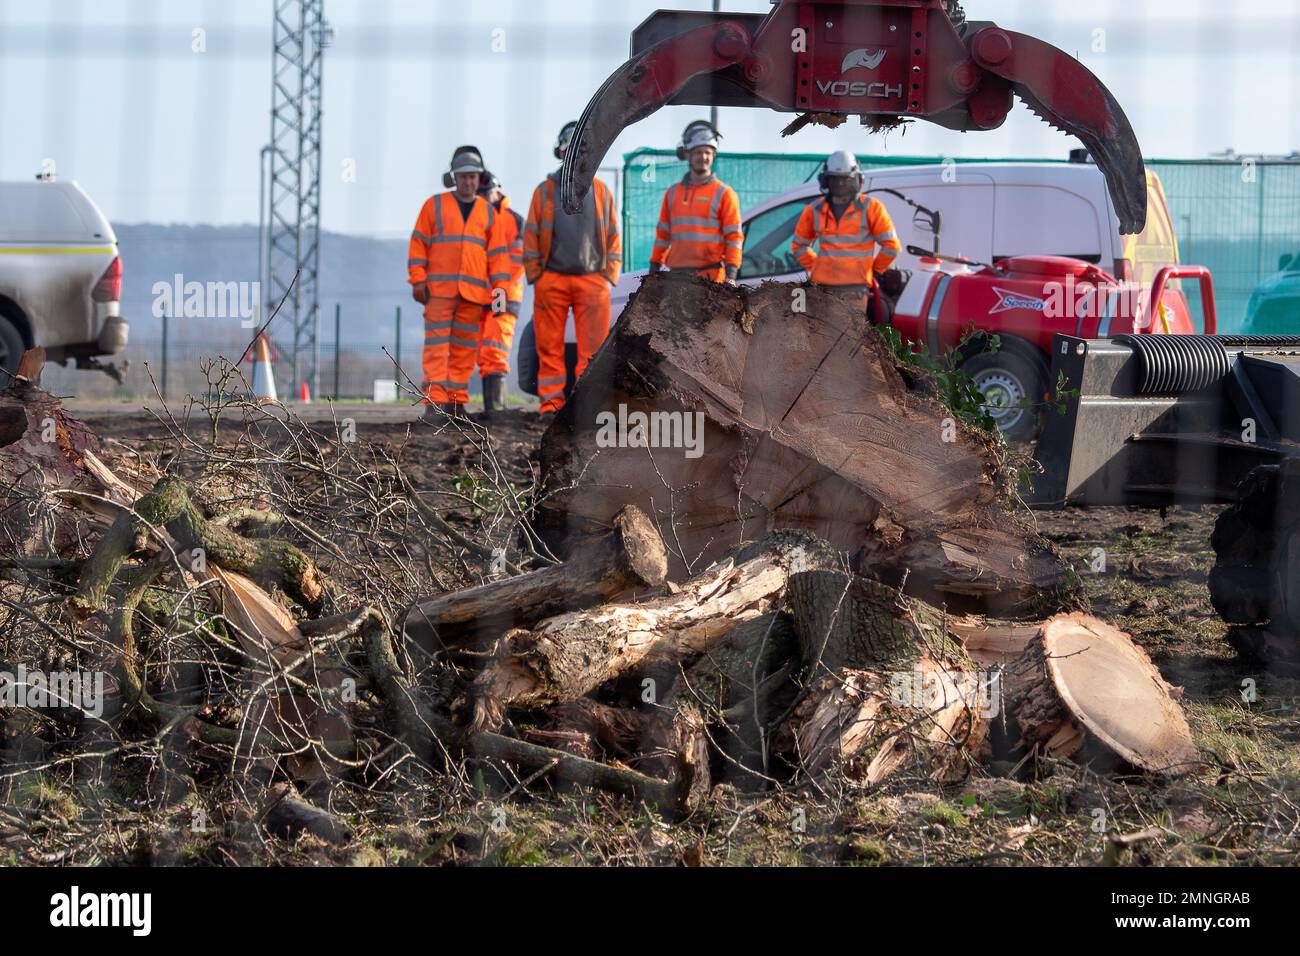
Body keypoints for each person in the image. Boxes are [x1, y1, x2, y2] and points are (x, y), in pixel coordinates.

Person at [523, 120, 622, 422]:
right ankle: (551, 406)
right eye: (570, 149)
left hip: (592, 281)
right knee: (548, 348)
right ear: (561, 152)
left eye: (581, 150)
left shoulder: (602, 192)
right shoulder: (544, 192)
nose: (575, 156)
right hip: (551, 280)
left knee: (591, 352)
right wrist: (536, 275)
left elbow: (614, 237)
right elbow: (530, 236)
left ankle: (585, 408)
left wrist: (609, 276)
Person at [407, 145, 512, 419]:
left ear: (480, 179)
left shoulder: (489, 213)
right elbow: (418, 245)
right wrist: (418, 281)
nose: (468, 181)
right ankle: (435, 403)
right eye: (463, 176)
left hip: (473, 297)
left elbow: (499, 258)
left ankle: (456, 403)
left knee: (464, 352)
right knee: (437, 349)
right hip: (438, 294)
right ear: (453, 177)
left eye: (473, 177)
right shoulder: (434, 206)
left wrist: (499, 293)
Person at [791, 150, 901, 321]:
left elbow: (892, 247)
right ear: (827, 180)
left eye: (845, 178)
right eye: (836, 178)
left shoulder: (871, 208)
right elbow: (799, 245)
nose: (841, 183)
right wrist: (818, 266)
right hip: (822, 289)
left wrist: (872, 271)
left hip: (853, 292)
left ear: (856, 179)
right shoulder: (815, 210)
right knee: (824, 340)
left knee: (846, 341)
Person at [648, 120, 743, 284]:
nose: (703, 157)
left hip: (712, 279)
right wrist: (654, 268)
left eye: (708, 152)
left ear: (713, 156)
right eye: (698, 152)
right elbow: (662, 236)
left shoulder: (725, 194)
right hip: (677, 279)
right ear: (688, 155)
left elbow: (734, 237)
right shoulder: (672, 194)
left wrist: (732, 275)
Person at [474, 170, 524, 418]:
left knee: (495, 348)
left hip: (501, 295)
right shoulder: (474, 218)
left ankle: (495, 408)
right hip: (478, 295)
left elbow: (516, 262)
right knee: (482, 352)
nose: (484, 197)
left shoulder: (513, 220)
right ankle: (492, 408)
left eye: (486, 192)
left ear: (496, 190)